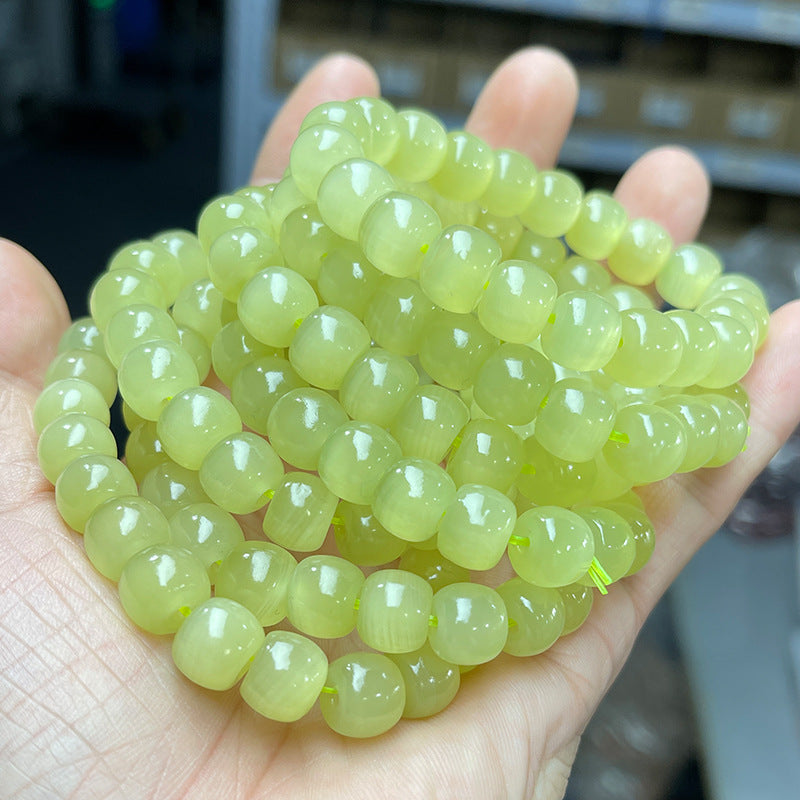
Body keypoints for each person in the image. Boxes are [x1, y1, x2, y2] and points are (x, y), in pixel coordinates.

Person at [1, 48, 798, 800]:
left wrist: (593, 568)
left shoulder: (595, 523)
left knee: (595, 552)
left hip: (536, 537)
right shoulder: (291, 237)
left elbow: (600, 563)